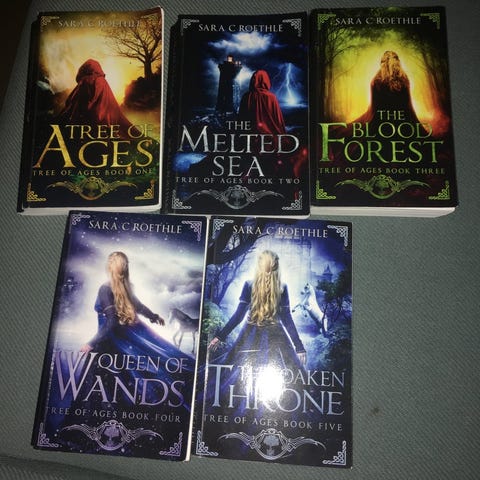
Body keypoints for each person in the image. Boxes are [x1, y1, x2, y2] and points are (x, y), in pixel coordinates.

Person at [208, 249, 306, 369]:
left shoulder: (255, 285)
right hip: (272, 335)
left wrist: (220, 336)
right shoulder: (279, 287)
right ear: (276, 266)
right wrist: (299, 346)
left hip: (253, 333)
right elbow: (287, 319)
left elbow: (238, 316)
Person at [80, 251, 164, 353]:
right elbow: (139, 307)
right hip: (123, 338)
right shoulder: (125, 289)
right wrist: (154, 317)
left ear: (109, 267)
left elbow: (112, 320)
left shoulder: (105, 289)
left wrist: (91, 344)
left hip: (108, 339)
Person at [58, 59, 138, 138]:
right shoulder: (102, 81)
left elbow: (73, 99)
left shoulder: (85, 81)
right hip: (107, 118)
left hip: (88, 119)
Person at [238, 69, 286, 137]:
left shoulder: (246, 96)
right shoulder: (271, 97)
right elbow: (278, 119)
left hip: (250, 135)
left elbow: (241, 117)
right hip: (269, 135)